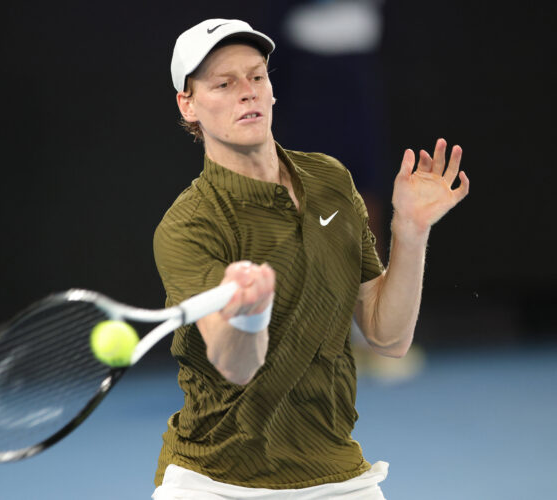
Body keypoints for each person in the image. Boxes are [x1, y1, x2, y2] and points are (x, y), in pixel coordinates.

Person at [151, 19, 469, 499]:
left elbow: (388, 337)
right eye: (224, 84)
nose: (247, 92)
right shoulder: (189, 227)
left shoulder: (330, 181)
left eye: (257, 76)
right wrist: (251, 315)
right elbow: (236, 365)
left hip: (336, 474)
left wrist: (410, 231)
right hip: (214, 481)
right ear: (188, 105)